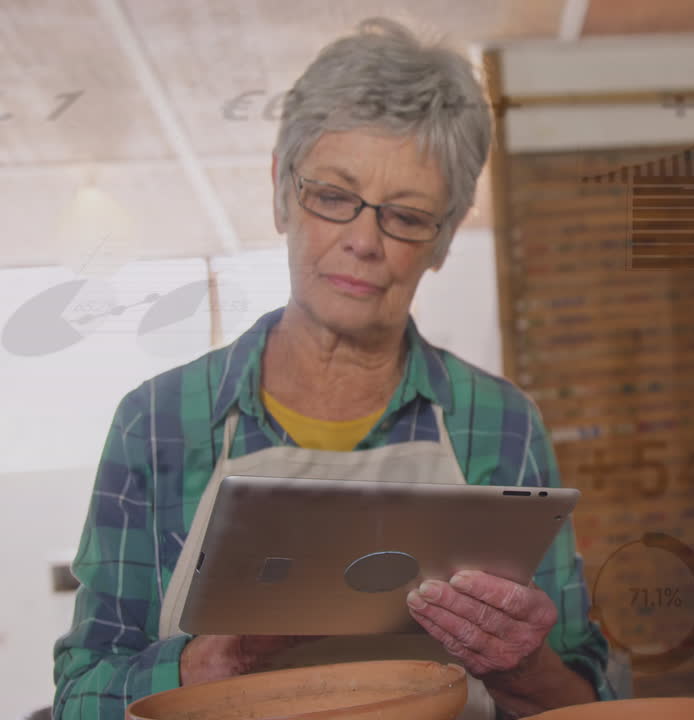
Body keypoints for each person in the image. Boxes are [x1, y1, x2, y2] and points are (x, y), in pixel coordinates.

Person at [52, 18, 617, 720]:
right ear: (281, 192)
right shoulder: (159, 425)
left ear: (442, 239)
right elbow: (78, 697)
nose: (362, 241)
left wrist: (523, 669)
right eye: (333, 197)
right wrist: (207, 664)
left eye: (406, 215)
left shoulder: (500, 426)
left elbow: (585, 701)